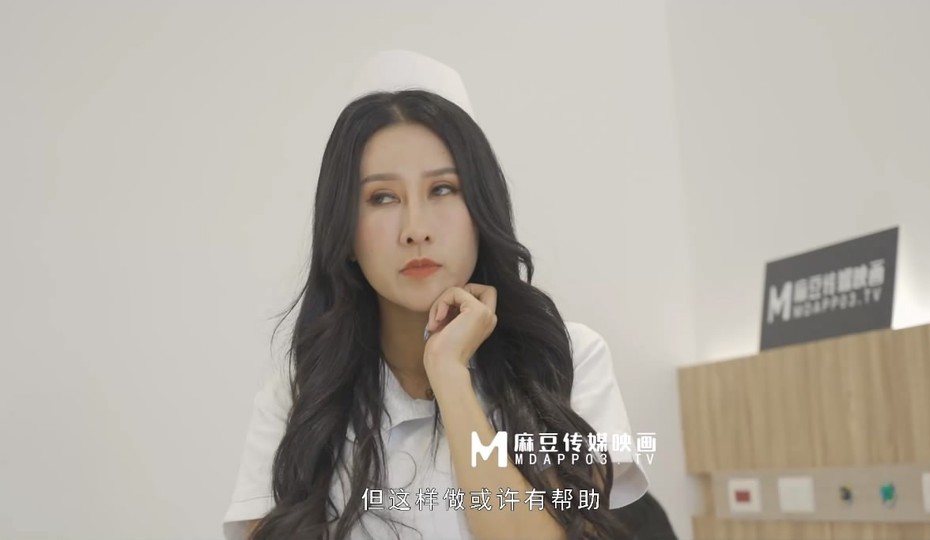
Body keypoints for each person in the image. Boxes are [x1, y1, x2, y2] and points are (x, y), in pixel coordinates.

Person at [222, 56, 648, 540]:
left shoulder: (567, 360)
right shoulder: (297, 396)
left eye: (442, 189)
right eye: (382, 198)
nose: (416, 229)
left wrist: (449, 373)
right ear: (346, 233)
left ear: (481, 210)